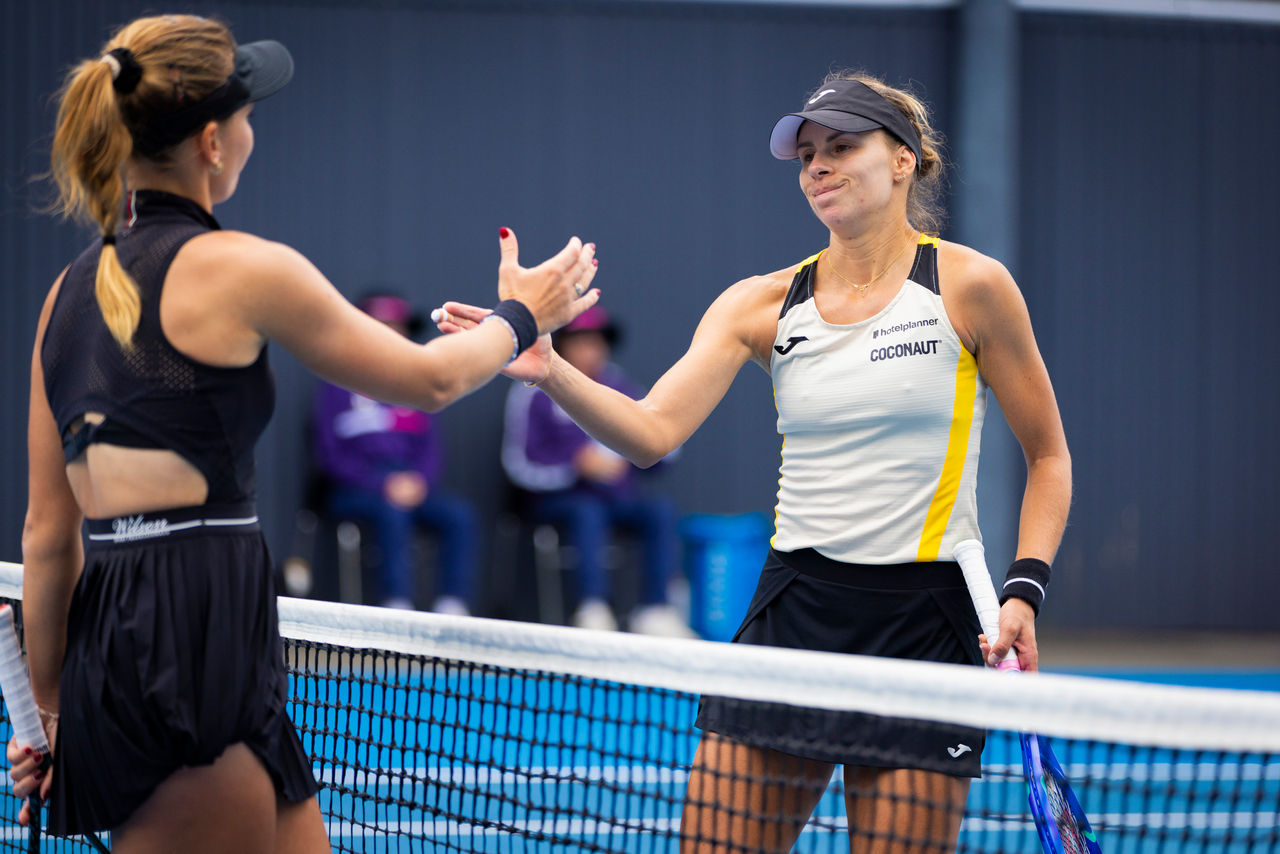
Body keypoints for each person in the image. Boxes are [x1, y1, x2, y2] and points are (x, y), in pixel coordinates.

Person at [435, 70, 1070, 853]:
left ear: (903, 159)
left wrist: (1024, 590)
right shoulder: (760, 304)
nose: (818, 166)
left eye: (841, 147)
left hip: (926, 623)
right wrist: (551, 369)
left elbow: (1048, 455)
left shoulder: (971, 286)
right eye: (807, 155)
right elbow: (651, 432)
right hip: (793, 610)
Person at [9, 14, 597, 852]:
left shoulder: (63, 295)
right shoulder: (245, 268)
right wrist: (522, 315)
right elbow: (429, 379)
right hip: (194, 644)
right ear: (213, 143)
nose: (253, 132)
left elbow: (46, 533)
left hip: (162, 640)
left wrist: (49, 712)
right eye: (248, 114)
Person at [500, 305, 692, 635]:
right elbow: (519, 465)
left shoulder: (620, 384)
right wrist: (575, 468)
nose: (592, 350)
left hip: (616, 499)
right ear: (562, 344)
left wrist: (633, 454)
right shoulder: (533, 385)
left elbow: (663, 442)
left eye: (598, 342)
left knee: (659, 510)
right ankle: (592, 610)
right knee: (587, 512)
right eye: (582, 341)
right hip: (558, 503)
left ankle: (655, 610)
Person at [311, 292, 478, 613]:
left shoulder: (416, 383)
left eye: (397, 327)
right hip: (356, 488)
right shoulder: (335, 383)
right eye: (381, 325)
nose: (390, 334)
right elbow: (329, 456)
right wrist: (381, 484)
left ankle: (453, 608)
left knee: (459, 516)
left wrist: (419, 482)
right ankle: (397, 606)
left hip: (410, 483)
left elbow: (431, 452)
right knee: (392, 511)